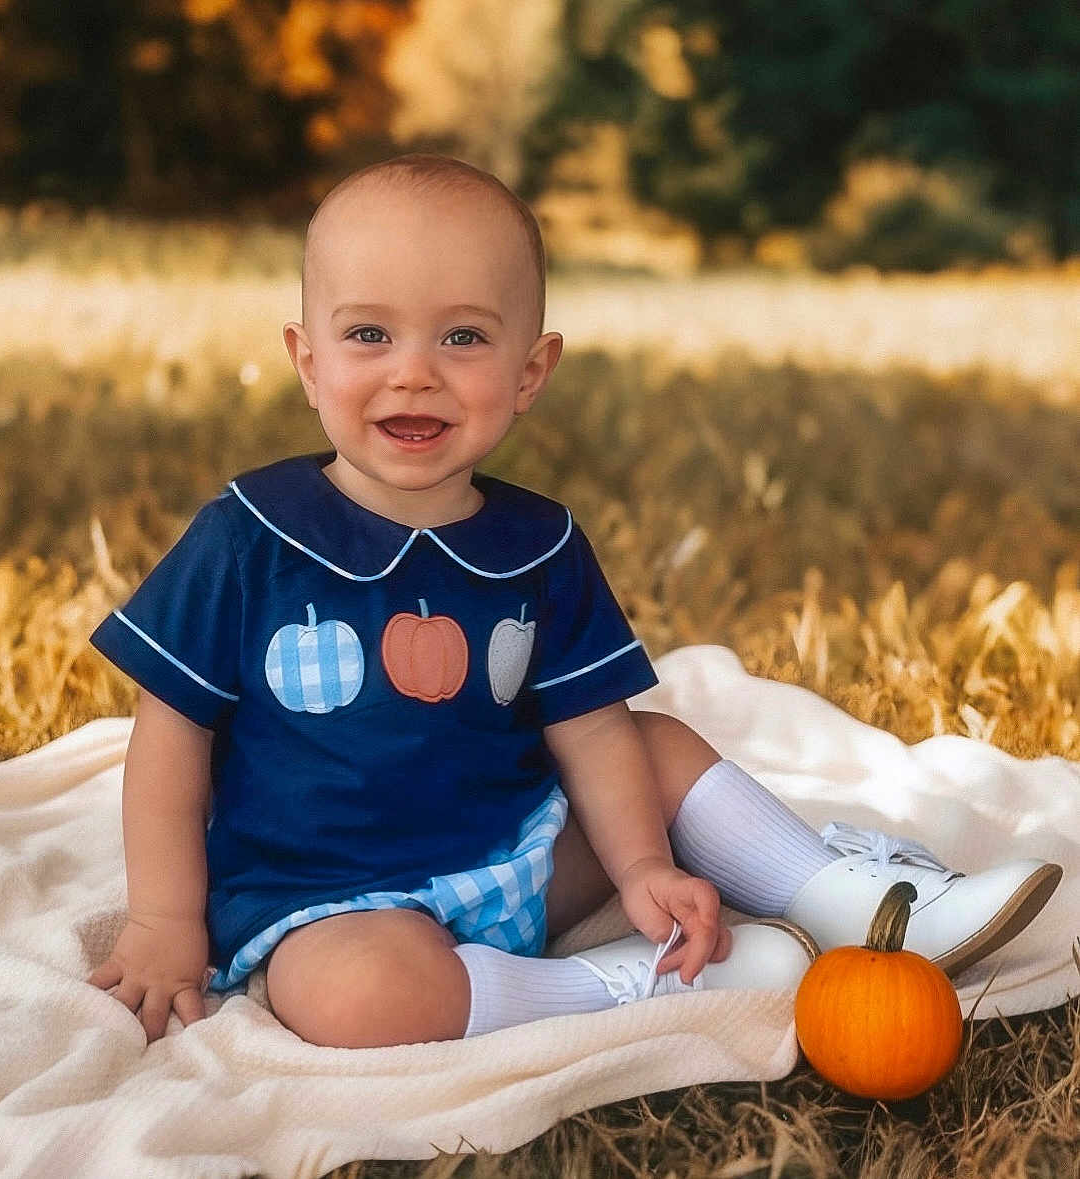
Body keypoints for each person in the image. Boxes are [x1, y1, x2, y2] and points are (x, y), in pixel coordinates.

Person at [86, 153, 1063, 1048]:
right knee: (356, 1002)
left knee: (654, 743)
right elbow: (170, 738)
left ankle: (855, 900)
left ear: (530, 374)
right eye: (369, 333)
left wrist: (640, 865)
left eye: (463, 335)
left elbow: (588, 729)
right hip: (328, 895)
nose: (413, 369)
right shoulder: (251, 534)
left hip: (521, 852)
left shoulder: (538, 543)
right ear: (309, 362)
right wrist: (167, 922)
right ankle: (626, 987)